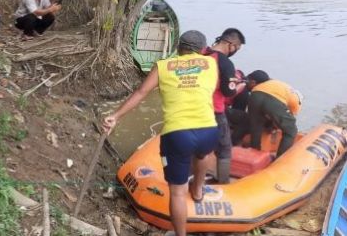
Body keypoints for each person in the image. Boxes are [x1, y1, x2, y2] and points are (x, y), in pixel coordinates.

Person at [102, 30, 219, 236]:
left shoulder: (163, 66)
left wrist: (116, 116)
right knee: (203, 154)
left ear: (178, 48)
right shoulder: (211, 64)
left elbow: (141, 93)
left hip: (178, 133)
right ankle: (198, 190)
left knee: (177, 193)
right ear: (202, 50)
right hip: (208, 129)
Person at [202, 28, 246, 184]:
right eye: (237, 48)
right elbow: (228, 92)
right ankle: (223, 183)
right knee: (224, 148)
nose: (235, 51)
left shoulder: (202, 53)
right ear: (231, 44)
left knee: (197, 146)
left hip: (195, 106)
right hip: (214, 109)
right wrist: (238, 87)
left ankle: (192, 177)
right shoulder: (225, 62)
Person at [246, 70, 301, 158]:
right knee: (291, 130)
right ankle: (280, 159)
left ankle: (254, 153)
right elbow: (288, 120)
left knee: (256, 127)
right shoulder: (296, 101)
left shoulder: (276, 84)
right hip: (272, 99)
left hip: (255, 95)